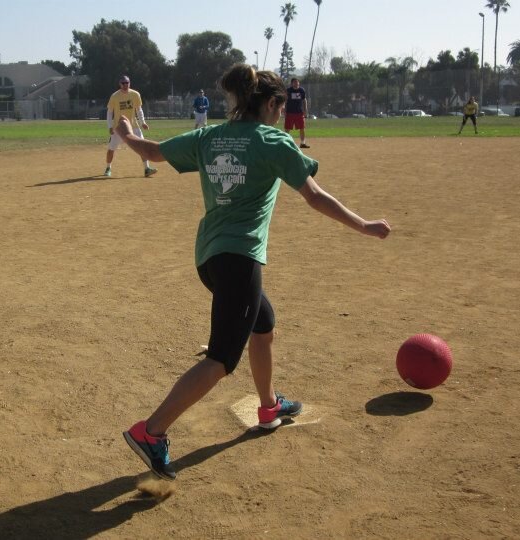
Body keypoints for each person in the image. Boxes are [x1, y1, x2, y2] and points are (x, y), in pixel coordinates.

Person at [114, 63, 392, 480]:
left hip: (209, 258)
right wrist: (365, 226)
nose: (280, 114)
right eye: (279, 107)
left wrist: (126, 134)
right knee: (221, 359)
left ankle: (268, 406)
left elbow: (152, 152)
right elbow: (315, 196)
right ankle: (151, 432)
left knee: (263, 325)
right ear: (273, 104)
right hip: (240, 259)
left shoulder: (211, 136)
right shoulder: (273, 141)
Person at [104, 75, 157, 178]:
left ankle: (147, 169)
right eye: (123, 83)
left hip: (133, 126)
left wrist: (143, 122)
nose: (125, 85)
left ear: (129, 83)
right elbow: (110, 112)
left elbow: (139, 109)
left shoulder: (135, 94)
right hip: (119, 127)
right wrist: (110, 126)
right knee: (111, 149)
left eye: (127, 83)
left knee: (143, 147)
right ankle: (108, 168)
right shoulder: (114, 96)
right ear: (120, 84)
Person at [284, 77, 310, 148]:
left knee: (302, 128)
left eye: (297, 82)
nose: (296, 83)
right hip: (290, 112)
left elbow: (304, 100)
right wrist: (284, 110)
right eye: (294, 82)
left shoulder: (301, 90)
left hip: (299, 113)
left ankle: (302, 143)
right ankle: (285, 143)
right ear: (291, 83)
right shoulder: (288, 91)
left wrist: (305, 110)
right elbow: (285, 101)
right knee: (287, 129)